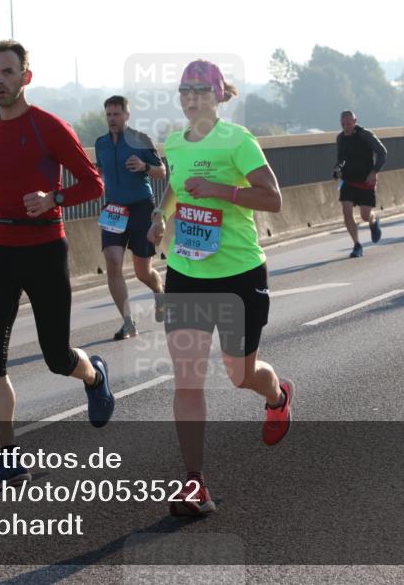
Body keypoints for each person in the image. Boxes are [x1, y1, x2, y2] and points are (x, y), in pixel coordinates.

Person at [0, 40, 114, 487]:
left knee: (57, 357)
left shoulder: (49, 127)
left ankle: (94, 377)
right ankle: (9, 456)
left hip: (44, 251)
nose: (0, 80)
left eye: (8, 72)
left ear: (26, 77)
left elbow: (94, 184)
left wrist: (53, 198)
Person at [147, 60, 292, 516]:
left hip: (239, 277)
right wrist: (160, 215)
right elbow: (174, 185)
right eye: (184, 89)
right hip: (187, 274)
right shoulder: (174, 141)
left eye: (200, 90)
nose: (192, 97)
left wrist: (218, 190)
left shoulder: (239, 141)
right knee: (187, 380)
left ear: (217, 94)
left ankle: (278, 395)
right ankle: (195, 483)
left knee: (239, 375)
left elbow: (273, 198)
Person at [94, 96, 167, 340]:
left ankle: (159, 289)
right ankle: (128, 323)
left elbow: (161, 172)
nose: (112, 119)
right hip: (114, 209)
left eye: (116, 114)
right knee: (113, 263)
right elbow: (101, 170)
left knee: (142, 272)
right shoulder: (101, 143)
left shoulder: (141, 140)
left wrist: (144, 167)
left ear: (127, 115)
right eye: (108, 115)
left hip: (140, 208)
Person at [331, 110, 387, 257]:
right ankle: (357, 245)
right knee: (346, 211)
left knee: (364, 215)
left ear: (355, 121)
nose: (346, 127)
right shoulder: (340, 138)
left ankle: (373, 221)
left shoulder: (365, 135)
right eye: (343, 124)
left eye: (348, 123)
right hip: (348, 180)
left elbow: (382, 153)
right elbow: (341, 159)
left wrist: (374, 171)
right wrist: (338, 169)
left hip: (366, 180)